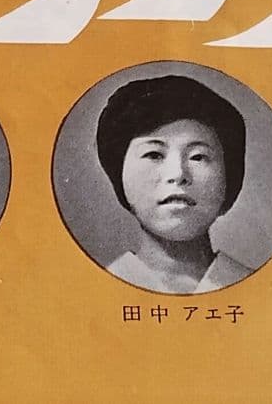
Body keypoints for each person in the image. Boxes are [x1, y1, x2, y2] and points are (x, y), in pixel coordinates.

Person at [95, 75, 253, 294]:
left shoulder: (265, 289)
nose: (178, 174)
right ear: (120, 174)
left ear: (229, 177)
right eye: (154, 154)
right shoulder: (90, 292)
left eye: (198, 157)